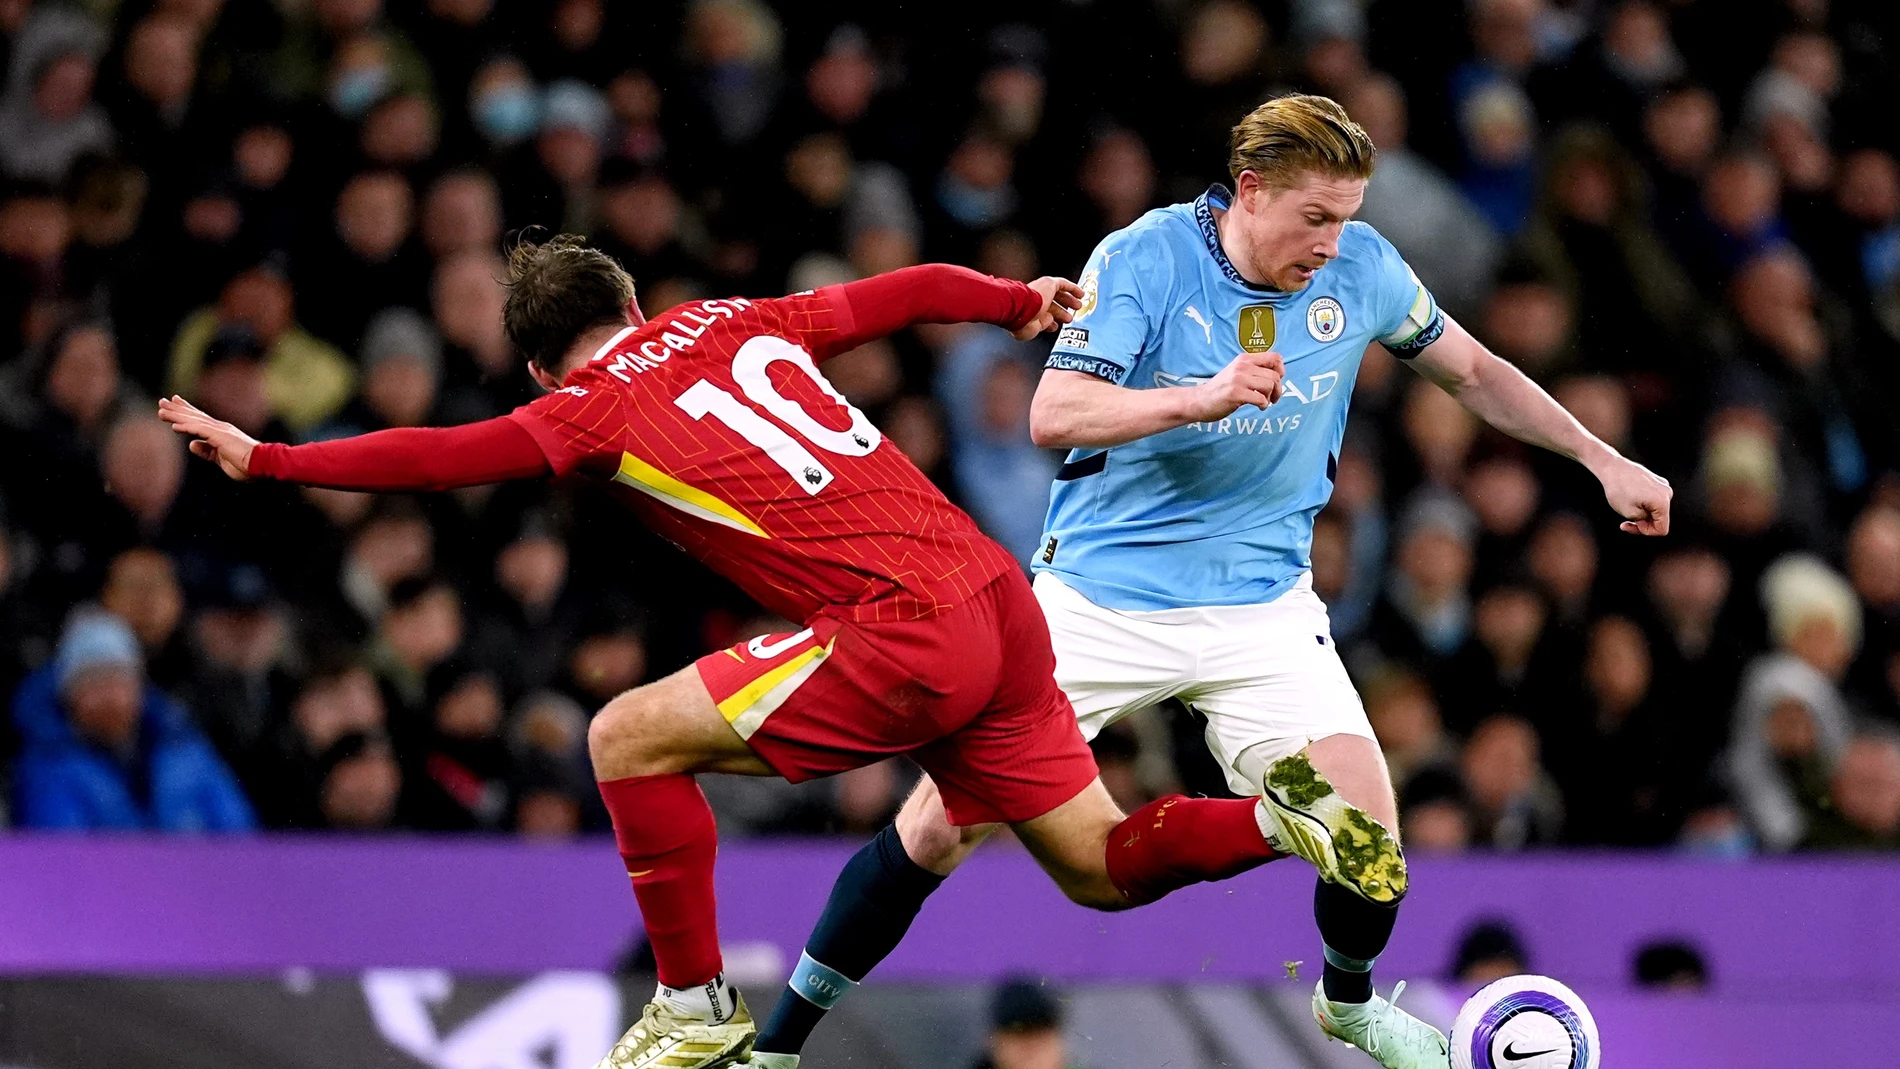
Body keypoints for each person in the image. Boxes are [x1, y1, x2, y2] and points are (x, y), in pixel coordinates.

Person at [158, 240, 1285, 1069]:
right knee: (1095, 863)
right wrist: (1010, 301)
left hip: (900, 623)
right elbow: (898, 293)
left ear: (545, 373)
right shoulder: (734, 317)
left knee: (624, 736)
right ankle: (1287, 819)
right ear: (637, 303)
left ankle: (693, 998)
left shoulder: (582, 409)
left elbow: (439, 456)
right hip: (996, 592)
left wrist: (273, 461)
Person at [753, 94, 1672, 1069]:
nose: (1333, 241)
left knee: (1369, 838)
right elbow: (1054, 412)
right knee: (939, 824)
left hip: (1263, 610)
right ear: (1251, 188)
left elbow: (1476, 372)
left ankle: (1349, 1004)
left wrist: (1598, 457)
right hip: (1096, 602)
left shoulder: (1361, 269)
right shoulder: (1144, 258)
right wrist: (1201, 396)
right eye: (1314, 216)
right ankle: (778, 1046)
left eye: (1348, 216)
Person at [11, 608, 255, 832]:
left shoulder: (185, 748)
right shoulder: (48, 765)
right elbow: (60, 853)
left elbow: (238, 832)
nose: (111, 697)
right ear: (69, 694)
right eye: (94, 682)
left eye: (119, 679)